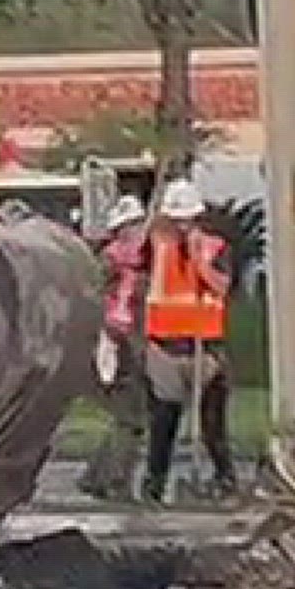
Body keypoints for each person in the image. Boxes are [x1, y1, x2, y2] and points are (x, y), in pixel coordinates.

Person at [140, 179, 237, 504]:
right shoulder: (155, 247)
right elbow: (131, 259)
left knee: (213, 425)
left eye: (186, 221)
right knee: (163, 422)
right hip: (164, 346)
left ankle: (226, 480)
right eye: (175, 221)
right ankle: (154, 485)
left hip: (205, 347)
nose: (181, 228)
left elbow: (223, 288)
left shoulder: (216, 248)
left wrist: (200, 264)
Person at [78, 194, 151, 502]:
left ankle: (98, 475)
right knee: (131, 417)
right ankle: (112, 479)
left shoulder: (140, 262)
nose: (135, 231)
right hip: (115, 341)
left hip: (131, 339)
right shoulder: (110, 260)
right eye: (130, 226)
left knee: (131, 417)